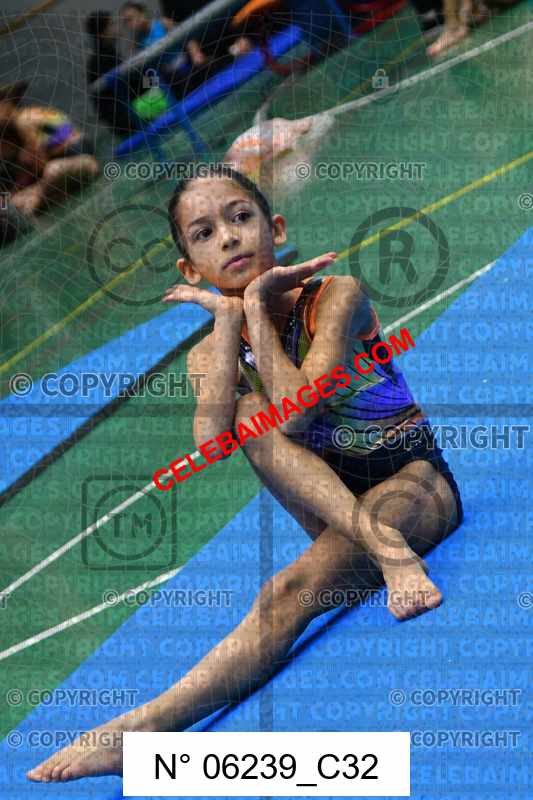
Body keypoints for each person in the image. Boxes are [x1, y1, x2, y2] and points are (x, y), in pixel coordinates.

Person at [27, 163, 463, 782]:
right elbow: (211, 443)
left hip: (418, 485)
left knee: (283, 591)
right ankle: (380, 548)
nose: (229, 237)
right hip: (336, 514)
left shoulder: (335, 296)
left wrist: (255, 309)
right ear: (189, 269)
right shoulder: (210, 353)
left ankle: (142, 731)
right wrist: (230, 326)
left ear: (275, 228)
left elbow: (301, 408)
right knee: (249, 416)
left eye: (240, 218)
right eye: (204, 234)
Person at [0, 83, 99, 217]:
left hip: (76, 155)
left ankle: (33, 203)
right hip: (67, 158)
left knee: (51, 172)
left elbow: (40, 161)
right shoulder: (21, 120)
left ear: (6, 103)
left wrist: (28, 188)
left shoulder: (23, 121)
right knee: (20, 196)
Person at [86, 9, 146, 136]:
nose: (117, 27)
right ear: (102, 33)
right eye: (112, 24)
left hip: (126, 112)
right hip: (127, 117)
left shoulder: (108, 53)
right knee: (162, 86)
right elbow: (130, 85)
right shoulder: (102, 59)